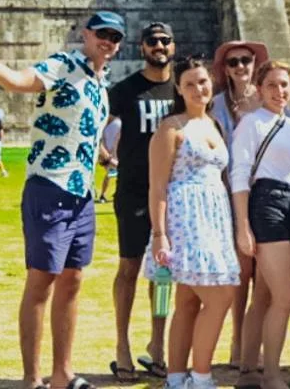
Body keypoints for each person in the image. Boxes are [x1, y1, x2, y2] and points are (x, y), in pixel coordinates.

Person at [0, 9, 123, 389]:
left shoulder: (100, 83)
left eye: (115, 37)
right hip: (50, 186)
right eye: (102, 34)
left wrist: (106, 158)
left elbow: (85, 133)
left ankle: (62, 374)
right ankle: (32, 379)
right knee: (42, 281)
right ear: (86, 34)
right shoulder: (63, 65)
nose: (108, 42)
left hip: (82, 193)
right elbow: (18, 82)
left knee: (73, 280)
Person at [146, 55, 242, 389]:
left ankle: (176, 379)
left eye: (202, 81)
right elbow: (157, 185)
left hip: (215, 218)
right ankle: (201, 377)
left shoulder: (214, 123)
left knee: (188, 301)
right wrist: (159, 234)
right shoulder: (171, 127)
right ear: (178, 88)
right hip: (185, 218)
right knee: (220, 296)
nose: (198, 89)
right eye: (189, 84)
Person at [231, 60, 290, 389]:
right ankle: (272, 374)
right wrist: (243, 226)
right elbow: (239, 175)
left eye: (284, 84)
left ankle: (248, 370)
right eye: (272, 85)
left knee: (264, 294)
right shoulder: (251, 123)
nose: (279, 91)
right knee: (286, 296)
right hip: (265, 204)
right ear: (260, 89)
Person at [109, 22, 178, 380]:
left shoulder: (181, 88)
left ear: (173, 46)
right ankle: (122, 345)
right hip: (134, 190)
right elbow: (96, 124)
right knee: (129, 268)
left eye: (165, 40)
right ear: (142, 47)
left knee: (163, 273)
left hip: (171, 192)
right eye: (153, 41)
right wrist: (105, 157)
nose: (159, 46)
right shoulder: (125, 90)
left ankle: (158, 344)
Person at [212, 39, 270, 368]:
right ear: (225, 68)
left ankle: (254, 343)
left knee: (264, 274)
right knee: (241, 273)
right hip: (229, 194)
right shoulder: (217, 104)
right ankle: (237, 341)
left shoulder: (267, 99)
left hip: (265, 193)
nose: (240, 67)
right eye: (232, 62)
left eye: (245, 60)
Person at [98, 116, 121, 203]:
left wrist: (114, 150)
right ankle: (102, 195)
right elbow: (102, 137)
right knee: (109, 174)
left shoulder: (119, 121)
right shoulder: (105, 122)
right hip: (108, 151)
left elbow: (118, 137)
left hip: (116, 151)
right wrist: (106, 151)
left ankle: (116, 193)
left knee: (119, 174)